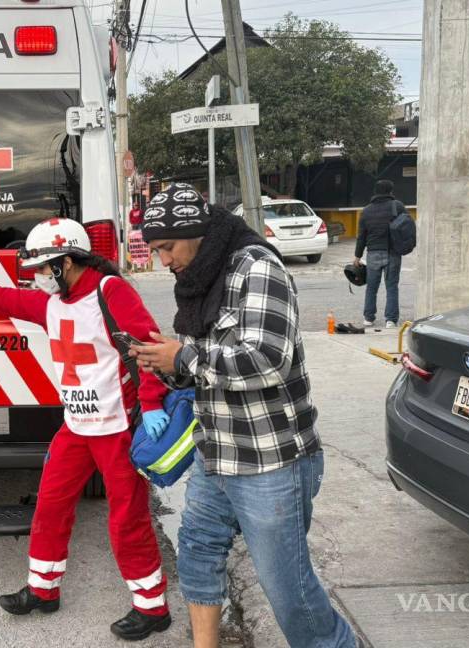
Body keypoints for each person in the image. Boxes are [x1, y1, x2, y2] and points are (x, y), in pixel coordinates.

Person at [129, 184, 358, 648]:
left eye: (167, 248)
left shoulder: (257, 267)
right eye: (155, 251)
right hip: (216, 453)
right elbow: (204, 369)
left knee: (287, 589)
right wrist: (166, 365)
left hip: (271, 462)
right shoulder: (199, 280)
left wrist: (185, 357)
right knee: (195, 552)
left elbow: (267, 359)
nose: (164, 261)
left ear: (195, 233)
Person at [0, 217, 174, 642]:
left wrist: (150, 404)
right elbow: (11, 302)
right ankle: (43, 590)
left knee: (127, 519)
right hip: (76, 429)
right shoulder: (54, 302)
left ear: (66, 262)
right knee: (50, 505)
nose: (36, 278)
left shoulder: (110, 292)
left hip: (116, 429)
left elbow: (149, 347)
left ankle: (152, 607)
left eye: (42, 269)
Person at [353, 179, 406, 329]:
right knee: (392, 287)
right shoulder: (398, 207)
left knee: (371, 287)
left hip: (373, 253)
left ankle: (368, 318)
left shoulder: (366, 211)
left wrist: (357, 256)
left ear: (375, 191)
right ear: (390, 191)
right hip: (393, 252)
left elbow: (361, 236)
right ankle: (391, 320)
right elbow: (407, 226)